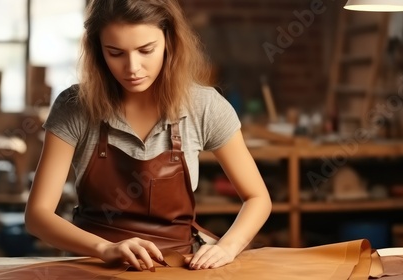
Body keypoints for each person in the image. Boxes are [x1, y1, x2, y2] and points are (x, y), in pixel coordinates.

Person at [25, 0, 271, 272]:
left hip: (176, 267)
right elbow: (37, 215)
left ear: (169, 41)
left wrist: (227, 247)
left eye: (146, 50)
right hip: (95, 265)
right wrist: (105, 248)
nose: (132, 67)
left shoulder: (205, 106)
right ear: (98, 51)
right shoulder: (74, 106)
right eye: (115, 52)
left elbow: (257, 197)